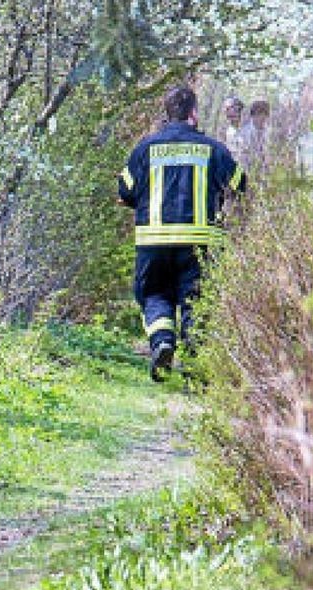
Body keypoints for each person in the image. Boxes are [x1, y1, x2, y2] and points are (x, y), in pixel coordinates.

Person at [117, 85, 246, 381]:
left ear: (167, 112)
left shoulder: (144, 149)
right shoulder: (214, 149)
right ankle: (194, 371)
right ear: (194, 113)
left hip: (153, 242)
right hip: (201, 243)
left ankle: (162, 341)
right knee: (196, 302)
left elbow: (124, 192)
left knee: (153, 294)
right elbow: (240, 184)